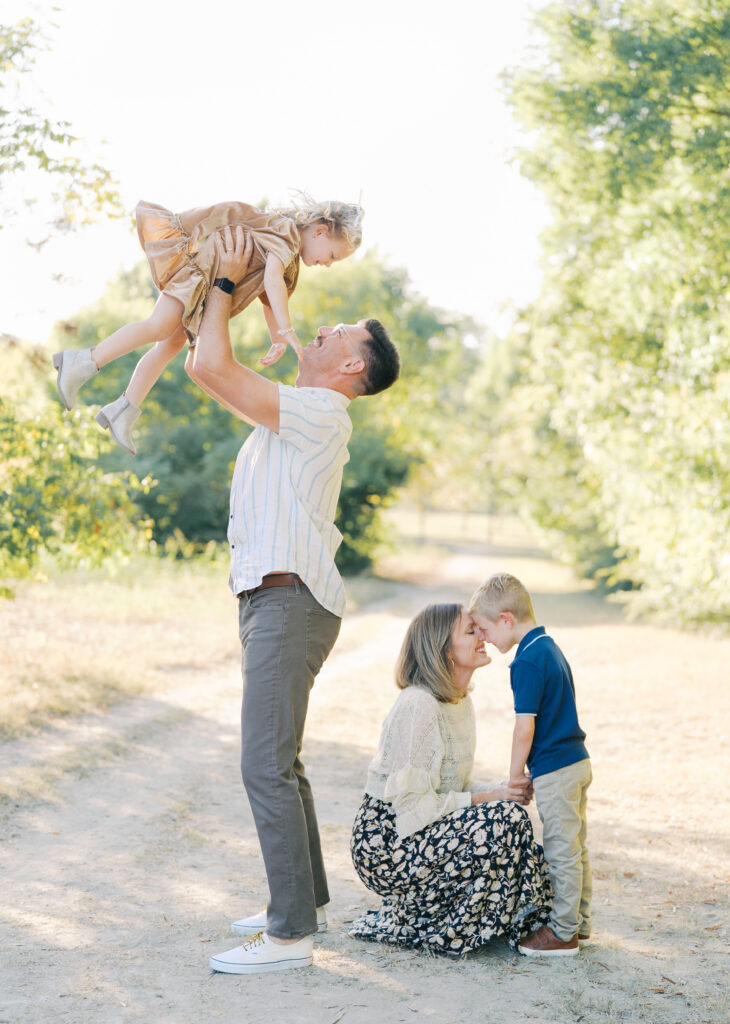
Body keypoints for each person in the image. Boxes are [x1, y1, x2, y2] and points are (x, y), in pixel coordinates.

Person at [185, 225, 399, 975]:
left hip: (290, 601)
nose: (318, 325)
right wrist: (223, 293)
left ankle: (288, 937)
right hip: (278, 599)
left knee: (263, 764)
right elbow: (203, 366)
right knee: (284, 760)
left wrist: (222, 281)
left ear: (348, 365)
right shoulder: (294, 411)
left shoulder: (319, 412)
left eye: (332, 332)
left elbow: (213, 361)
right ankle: (303, 904)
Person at [52, 195, 363, 455]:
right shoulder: (288, 234)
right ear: (320, 231)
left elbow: (271, 294)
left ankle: (123, 409)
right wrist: (287, 331)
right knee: (159, 326)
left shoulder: (291, 258)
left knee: (168, 346)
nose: (328, 264)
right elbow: (271, 280)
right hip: (199, 273)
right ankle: (82, 361)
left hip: (205, 288)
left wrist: (276, 337)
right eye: (333, 255)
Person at [348, 602, 553, 957]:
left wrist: (502, 790)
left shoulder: (460, 703)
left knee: (511, 814)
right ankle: (451, 929)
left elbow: (451, 789)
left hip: (422, 831)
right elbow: (416, 809)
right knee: (501, 817)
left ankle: (503, 921)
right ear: (445, 651)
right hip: (388, 845)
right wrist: (490, 799)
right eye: (471, 631)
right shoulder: (418, 705)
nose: (483, 637)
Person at [469, 572, 592, 957]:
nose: (484, 637)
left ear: (506, 619)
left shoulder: (526, 661)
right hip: (575, 762)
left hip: (557, 768)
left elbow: (525, 727)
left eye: (486, 628)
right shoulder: (549, 647)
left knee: (560, 850)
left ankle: (563, 932)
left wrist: (514, 776)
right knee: (575, 846)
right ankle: (579, 921)